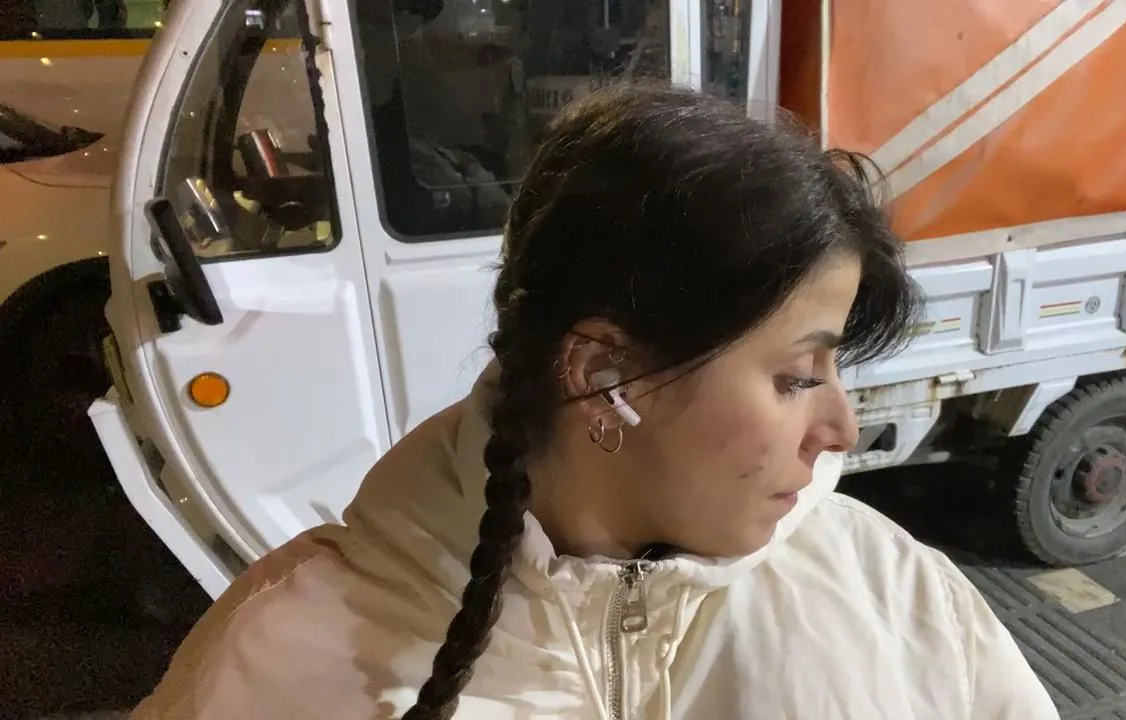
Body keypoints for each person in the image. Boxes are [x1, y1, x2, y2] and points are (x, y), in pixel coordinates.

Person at [130, 84, 1060, 719]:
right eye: (795, 377)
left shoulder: (891, 592)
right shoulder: (284, 666)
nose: (841, 431)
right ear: (602, 373)